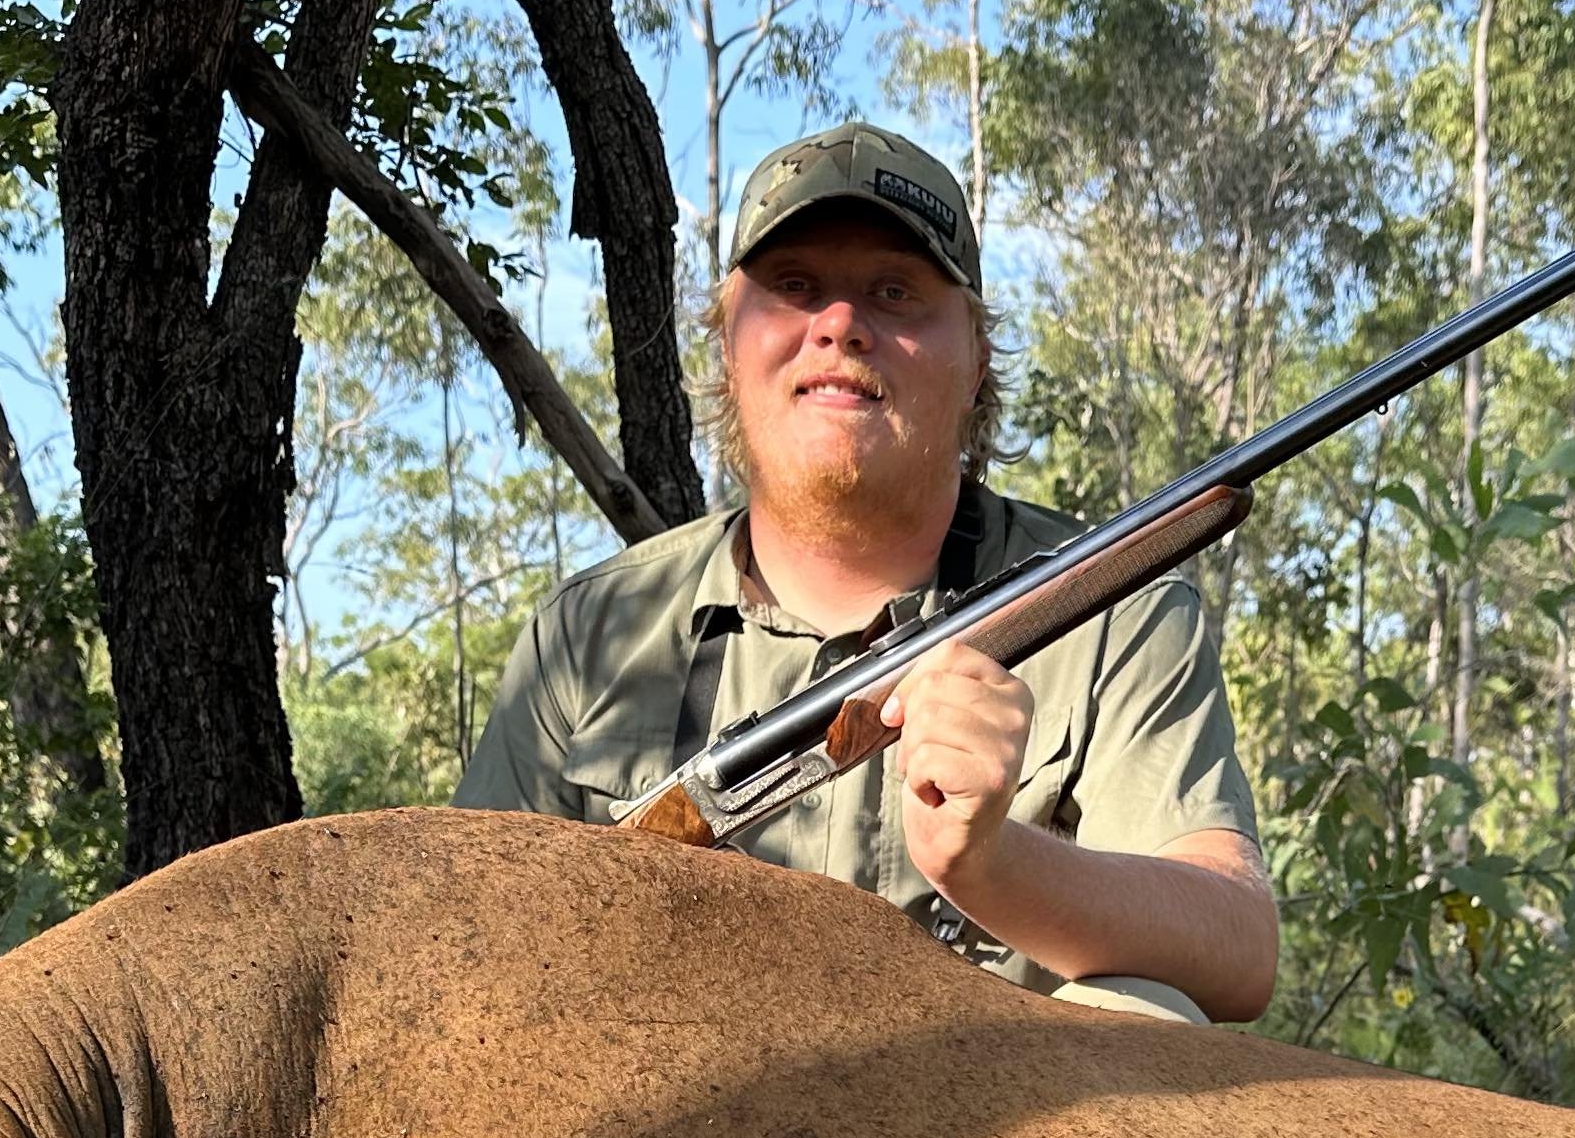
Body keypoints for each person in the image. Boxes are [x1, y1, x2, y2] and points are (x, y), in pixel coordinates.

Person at [456, 122, 1280, 1024]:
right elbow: (482, 958)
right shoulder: (586, 636)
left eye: (895, 292)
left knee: (1153, 1011)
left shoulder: (1115, 607)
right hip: (670, 1131)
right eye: (796, 287)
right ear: (730, 344)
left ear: (975, 360)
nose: (842, 327)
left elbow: (1236, 945)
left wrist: (997, 864)